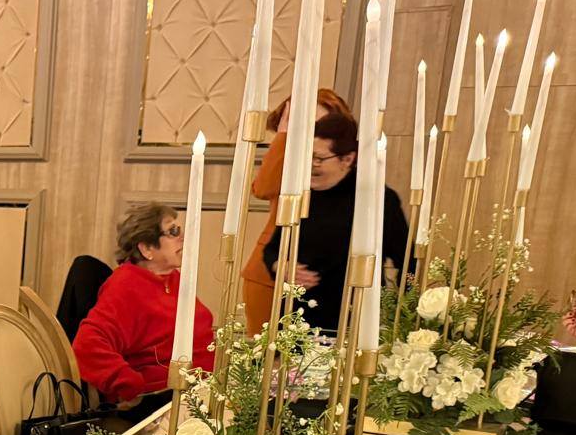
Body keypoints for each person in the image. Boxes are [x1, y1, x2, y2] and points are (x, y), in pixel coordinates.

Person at [262, 112, 408, 334]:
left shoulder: (377, 199)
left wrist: (404, 319)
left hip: (351, 320)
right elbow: (272, 250)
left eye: (319, 158)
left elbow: (406, 262)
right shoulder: (301, 193)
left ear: (347, 159)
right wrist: (280, 266)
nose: (311, 165)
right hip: (296, 318)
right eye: (308, 156)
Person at [72, 202, 215, 404]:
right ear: (147, 248)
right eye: (173, 232)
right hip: (166, 401)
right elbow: (87, 345)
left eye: (179, 229)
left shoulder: (173, 278)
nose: (182, 237)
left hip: (202, 391)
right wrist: (130, 386)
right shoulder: (126, 284)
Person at [242, 89, 353, 333]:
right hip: (270, 274)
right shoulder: (286, 157)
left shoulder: (344, 163)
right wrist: (284, 136)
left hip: (328, 279)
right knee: (265, 352)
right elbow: (263, 189)